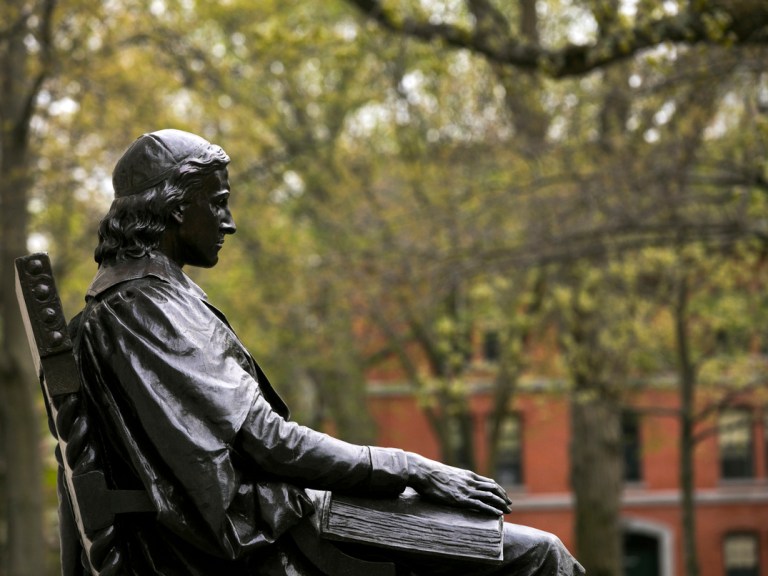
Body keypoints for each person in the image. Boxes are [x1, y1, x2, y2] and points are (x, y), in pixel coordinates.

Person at [72, 128, 584, 575]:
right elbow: (265, 440)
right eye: (217, 202)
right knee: (540, 557)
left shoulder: (140, 300)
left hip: (269, 519)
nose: (228, 222)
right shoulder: (145, 307)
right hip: (269, 532)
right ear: (177, 208)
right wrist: (409, 466)